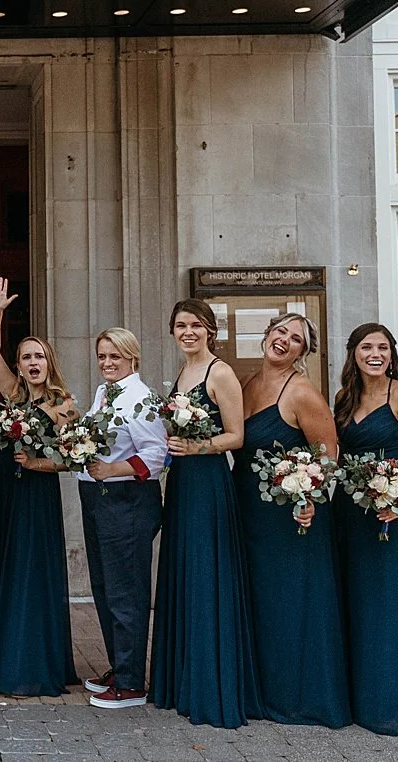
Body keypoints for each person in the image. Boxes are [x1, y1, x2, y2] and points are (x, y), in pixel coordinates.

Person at [234, 312, 350, 728]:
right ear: (267, 334)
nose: (284, 340)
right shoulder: (248, 383)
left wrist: (310, 497)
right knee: (259, 601)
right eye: (280, 331)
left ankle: (298, 697)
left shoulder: (302, 393)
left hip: (291, 515)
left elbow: (329, 456)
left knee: (291, 603)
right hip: (248, 509)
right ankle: (260, 691)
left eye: (296, 339)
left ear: (304, 352)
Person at [150, 300, 258, 728]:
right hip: (181, 484)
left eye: (196, 325)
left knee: (205, 572)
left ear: (210, 330)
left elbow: (237, 436)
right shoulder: (181, 373)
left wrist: (198, 446)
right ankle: (181, 678)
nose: (188, 332)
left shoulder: (221, 372)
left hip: (209, 484)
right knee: (183, 572)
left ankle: (210, 682)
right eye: (181, 325)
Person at [0, 278, 78, 698]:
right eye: (27, 356)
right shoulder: (13, 394)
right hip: (3, 492)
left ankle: (29, 662)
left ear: (49, 362)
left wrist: (35, 462)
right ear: (19, 365)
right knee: (0, 567)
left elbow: (73, 459)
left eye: (39, 356)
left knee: (30, 574)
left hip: (36, 494)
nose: (33, 362)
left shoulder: (64, 404)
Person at [333, 323, 398, 735]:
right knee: (359, 602)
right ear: (354, 353)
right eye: (366, 347)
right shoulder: (345, 398)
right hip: (353, 516)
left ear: (392, 354)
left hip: (393, 516)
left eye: (382, 347)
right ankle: (363, 698)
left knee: (392, 607)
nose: (374, 354)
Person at [79, 327, 166, 709]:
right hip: (97, 497)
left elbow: (157, 454)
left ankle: (132, 682)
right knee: (104, 586)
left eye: (115, 356)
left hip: (126, 499)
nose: (107, 363)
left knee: (126, 591)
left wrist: (112, 470)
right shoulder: (103, 393)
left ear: (132, 357)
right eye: (102, 356)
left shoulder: (141, 398)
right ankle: (119, 665)